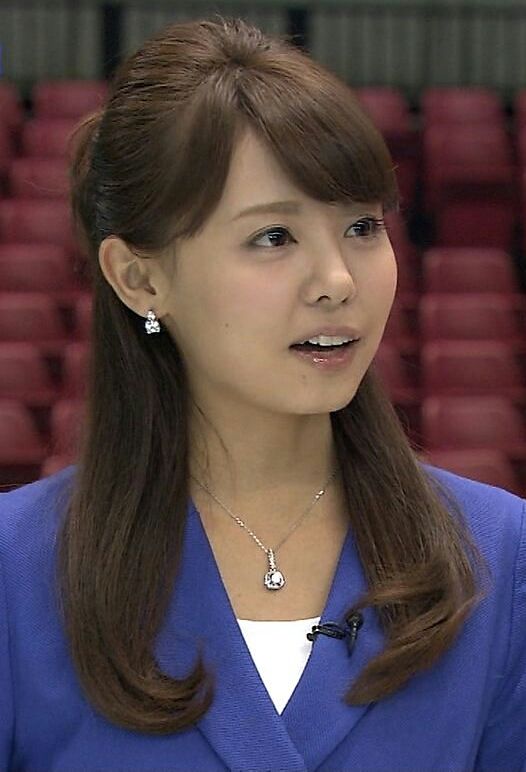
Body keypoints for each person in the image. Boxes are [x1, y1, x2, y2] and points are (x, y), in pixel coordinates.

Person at [0, 15, 524, 772]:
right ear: (139, 278)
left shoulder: (502, 558)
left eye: (362, 227)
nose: (338, 281)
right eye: (274, 237)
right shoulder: (16, 569)